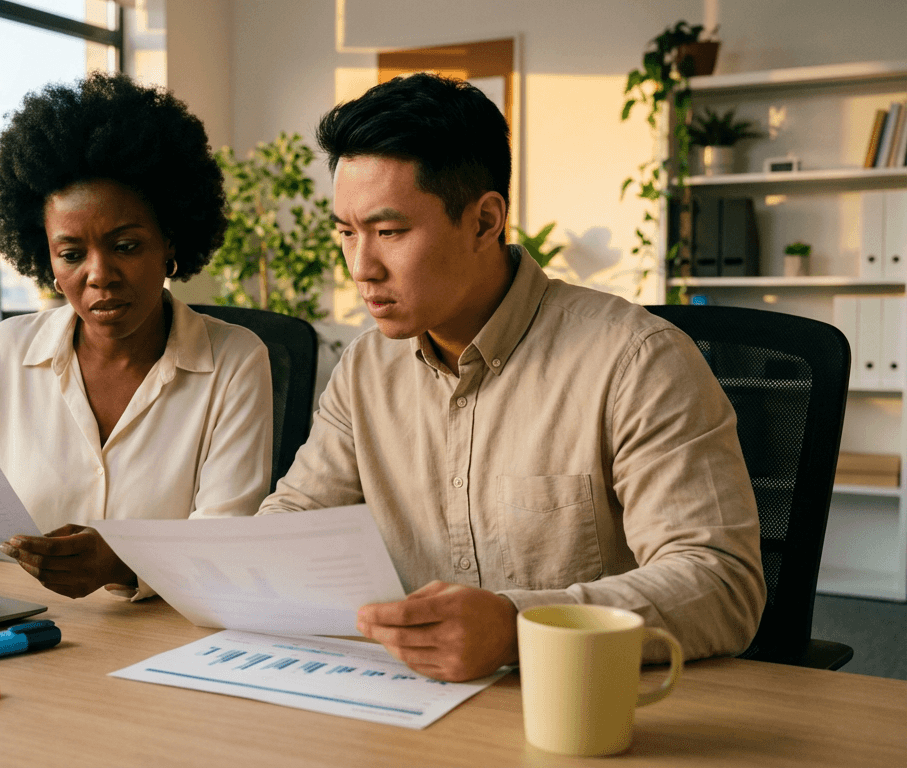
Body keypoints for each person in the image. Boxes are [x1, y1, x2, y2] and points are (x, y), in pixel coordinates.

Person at [258, 73, 765, 682]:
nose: (361, 267)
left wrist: (517, 628)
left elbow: (720, 582)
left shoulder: (637, 362)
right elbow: (294, 523)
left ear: (484, 221)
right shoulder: (366, 369)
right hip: (407, 699)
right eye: (346, 233)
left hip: (584, 701)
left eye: (389, 232)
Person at [0, 72, 273, 600]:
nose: (99, 274)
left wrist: (121, 562)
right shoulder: (5, 350)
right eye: (72, 254)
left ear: (169, 242)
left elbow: (226, 541)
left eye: (126, 246)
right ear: (48, 261)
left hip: (164, 635)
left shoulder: (236, 361)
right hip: (17, 624)